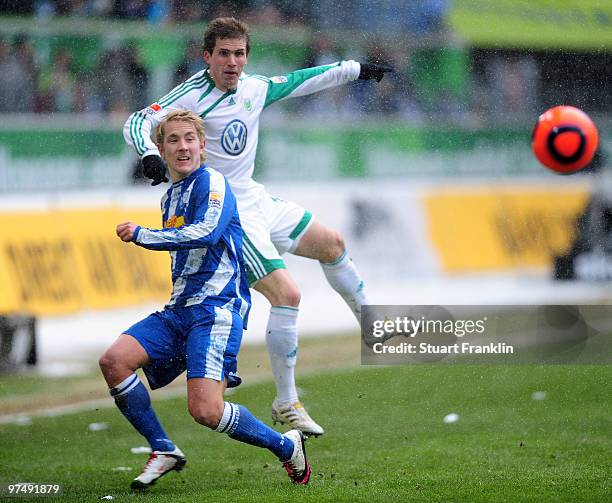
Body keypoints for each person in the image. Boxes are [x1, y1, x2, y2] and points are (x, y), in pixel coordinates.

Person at [123, 17, 392, 437]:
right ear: (206, 56)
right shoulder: (193, 95)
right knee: (288, 293)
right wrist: (148, 155)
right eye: (224, 54)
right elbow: (138, 120)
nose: (233, 63)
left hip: (256, 198)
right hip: (227, 213)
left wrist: (357, 69)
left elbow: (306, 79)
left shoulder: (255, 87)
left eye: (240, 54)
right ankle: (287, 402)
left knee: (333, 244)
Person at [101, 110, 310, 489]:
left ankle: (285, 445)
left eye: (189, 139)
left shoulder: (213, 181)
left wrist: (144, 235)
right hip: (179, 310)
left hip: (215, 311)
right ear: (161, 151)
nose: (182, 146)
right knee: (114, 361)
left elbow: (208, 232)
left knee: (206, 411)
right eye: (173, 140)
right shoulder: (170, 197)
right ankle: (163, 448)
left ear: (202, 145)